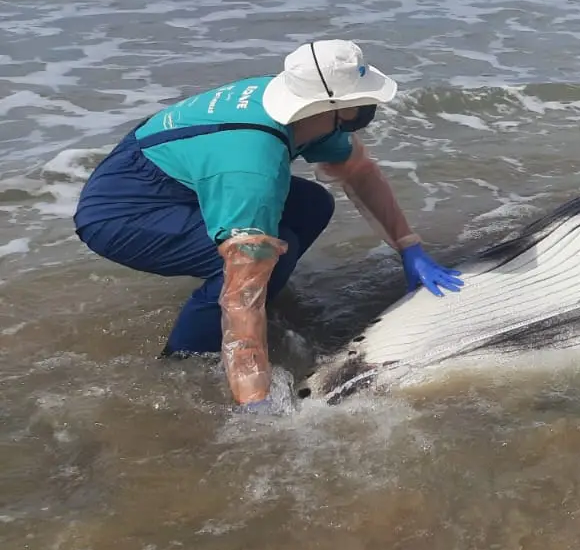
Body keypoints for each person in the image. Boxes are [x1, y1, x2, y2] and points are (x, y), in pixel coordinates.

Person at [74, 40, 463, 410]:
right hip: (121, 210)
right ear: (338, 109)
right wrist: (254, 398)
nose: (370, 108)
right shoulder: (252, 169)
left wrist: (408, 246)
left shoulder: (302, 114)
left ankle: (267, 295)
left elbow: (358, 170)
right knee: (248, 269)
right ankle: (182, 364)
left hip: (179, 168)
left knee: (310, 207)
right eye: (364, 100)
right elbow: (241, 287)